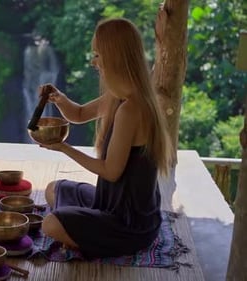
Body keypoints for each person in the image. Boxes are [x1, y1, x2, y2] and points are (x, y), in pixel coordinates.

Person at [39, 18, 172, 259]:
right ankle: (83, 230)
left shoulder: (131, 109)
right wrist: (59, 99)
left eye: (98, 55)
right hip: (108, 202)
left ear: (114, 57)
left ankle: (86, 239)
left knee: (50, 224)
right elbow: (78, 114)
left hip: (129, 223)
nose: (94, 62)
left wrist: (63, 148)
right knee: (53, 189)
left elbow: (110, 172)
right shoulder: (119, 95)